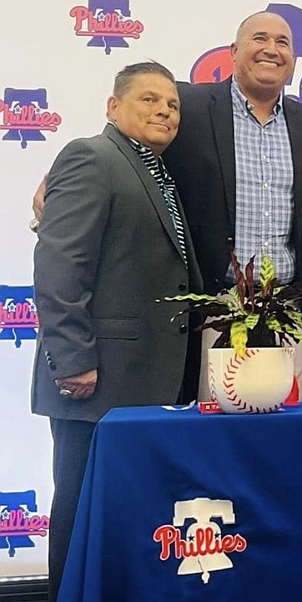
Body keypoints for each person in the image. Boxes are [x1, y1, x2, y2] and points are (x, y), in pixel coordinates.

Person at [32, 11, 302, 401]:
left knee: (280, 437)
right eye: (260, 39)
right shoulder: (187, 103)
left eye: (283, 43)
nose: (271, 50)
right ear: (234, 52)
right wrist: (53, 180)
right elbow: (126, 133)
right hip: (209, 311)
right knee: (204, 438)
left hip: (286, 313)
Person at [31, 62, 202, 601]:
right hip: (95, 382)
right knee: (82, 510)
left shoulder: (154, 172)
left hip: (143, 383)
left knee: (125, 513)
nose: (164, 112)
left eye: (172, 105)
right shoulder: (92, 157)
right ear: (113, 106)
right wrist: (73, 358)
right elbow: (60, 266)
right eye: (149, 100)